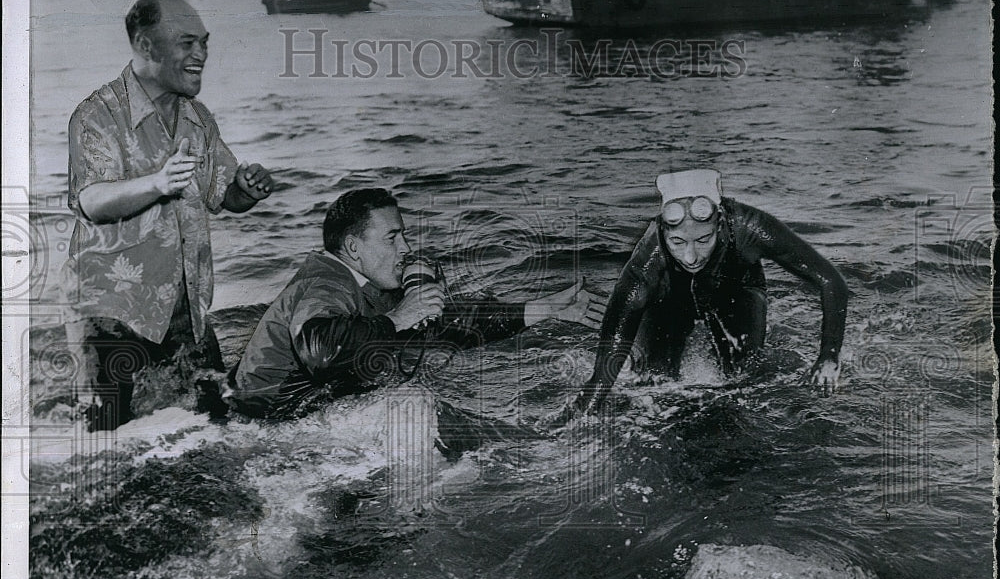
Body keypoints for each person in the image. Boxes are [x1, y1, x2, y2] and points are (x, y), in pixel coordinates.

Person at [63, 0, 274, 432]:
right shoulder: (96, 115)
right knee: (107, 450)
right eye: (187, 43)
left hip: (185, 313)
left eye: (205, 42)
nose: (202, 54)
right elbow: (91, 201)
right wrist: (157, 183)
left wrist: (246, 191)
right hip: (111, 315)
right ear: (145, 46)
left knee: (216, 431)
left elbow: (224, 195)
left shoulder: (199, 119)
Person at [227, 188, 604, 418]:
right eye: (392, 237)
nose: (405, 248)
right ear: (353, 247)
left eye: (404, 236)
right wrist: (400, 316)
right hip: (266, 419)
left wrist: (544, 309)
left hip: (299, 409)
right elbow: (319, 349)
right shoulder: (325, 282)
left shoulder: (365, 283)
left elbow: (445, 324)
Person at [554, 169, 848, 423]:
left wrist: (828, 356)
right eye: (678, 242)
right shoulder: (650, 256)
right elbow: (623, 317)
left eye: (703, 240)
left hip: (738, 287)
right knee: (656, 382)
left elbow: (830, 281)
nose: (691, 256)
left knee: (744, 379)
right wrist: (592, 397)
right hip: (669, 296)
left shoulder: (749, 227)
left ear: (720, 225)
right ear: (662, 231)